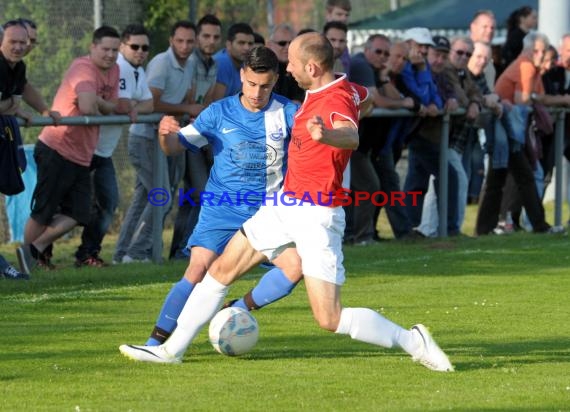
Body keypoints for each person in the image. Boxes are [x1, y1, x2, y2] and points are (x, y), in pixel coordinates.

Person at [119, 33, 454, 373]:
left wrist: (329, 136)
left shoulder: (333, 101)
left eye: (291, 62)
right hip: (284, 203)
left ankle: (413, 340)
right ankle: (170, 349)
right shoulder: (342, 89)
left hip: (316, 214)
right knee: (220, 271)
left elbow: (350, 135)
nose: (288, 69)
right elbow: (365, 99)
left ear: (311, 66)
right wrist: (359, 109)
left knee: (329, 318)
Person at [120, 46, 299, 346]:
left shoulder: (289, 113)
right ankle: (155, 344)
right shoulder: (218, 112)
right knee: (198, 268)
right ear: (242, 75)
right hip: (222, 209)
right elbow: (174, 147)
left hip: (268, 213)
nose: (257, 92)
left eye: (265, 85)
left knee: (296, 267)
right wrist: (166, 134)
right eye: (252, 84)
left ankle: (235, 310)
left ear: (276, 80)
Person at [16, 26, 121, 274]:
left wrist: (101, 103)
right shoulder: (83, 68)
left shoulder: (115, 70)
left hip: (82, 155)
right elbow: (86, 107)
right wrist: (101, 105)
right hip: (57, 148)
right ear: (92, 47)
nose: (110, 55)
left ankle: (32, 250)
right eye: (105, 49)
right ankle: (27, 263)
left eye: (115, 50)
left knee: (80, 212)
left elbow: (111, 105)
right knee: (43, 211)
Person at [113, 20, 203, 264]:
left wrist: (187, 110)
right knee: (160, 195)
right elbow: (154, 103)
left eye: (190, 41)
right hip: (144, 139)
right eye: (180, 41)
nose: (185, 46)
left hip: (167, 137)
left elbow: (182, 97)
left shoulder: (192, 62)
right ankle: (137, 252)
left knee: (147, 196)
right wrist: (187, 107)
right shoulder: (162, 63)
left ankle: (123, 254)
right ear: (171, 41)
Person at [74, 24, 154, 267]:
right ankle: (40, 254)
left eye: (145, 47)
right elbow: (120, 104)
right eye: (134, 46)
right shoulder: (119, 67)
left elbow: (147, 104)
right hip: (81, 148)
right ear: (123, 47)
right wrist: (127, 106)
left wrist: (131, 107)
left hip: (104, 151)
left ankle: (91, 254)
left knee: (108, 204)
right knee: (70, 207)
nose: (140, 51)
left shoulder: (133, 70)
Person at [475, 32, 564, 235]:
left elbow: (535, 97)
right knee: (510, 178)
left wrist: (536, 98)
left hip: (509, 129)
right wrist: (545, 99)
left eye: (543, 50)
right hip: (506, 128)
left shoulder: (527, 65)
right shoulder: (526, 65)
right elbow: (523, 99)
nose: (541, 55)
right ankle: (496, 226)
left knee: (517, 177)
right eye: (537, 50)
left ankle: (498, 226)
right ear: (528, 50)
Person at [348, 34, 415, 244]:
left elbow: (396, 99)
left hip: (368, 145)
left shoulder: (377, 71)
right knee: (369, 186)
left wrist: (385, 77)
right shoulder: (361, 65)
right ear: (367, 50)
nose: (383, 57)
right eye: (379, 52)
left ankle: (362, 235)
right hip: (352, 144)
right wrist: (403, 104)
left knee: (375, 187)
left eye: (386, 53)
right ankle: (361, 237)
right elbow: (377, 99)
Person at [169, 14, 223, 260]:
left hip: (197, 134)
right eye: (206, 36)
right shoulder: (190, 62)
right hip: (180, 133)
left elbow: (207, 101)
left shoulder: (213, 64)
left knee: (192, 196)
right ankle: (181, 249)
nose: (210, 41)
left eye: (215, 37)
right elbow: (189, 101)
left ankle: (180, 249)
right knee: (196, 194)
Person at [211, 23, 254, 101]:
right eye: (241, 43)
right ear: (229, 44)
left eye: (250, 44)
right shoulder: (223, 63)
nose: (247, 48)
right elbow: (216, 104)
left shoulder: (243, 64)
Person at [267, 23, 305, 103]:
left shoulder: (298, 69)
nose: (287, 47)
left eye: (291, 43)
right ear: (270, 45)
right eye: (282, 43)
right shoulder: (264, 68)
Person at [500, 6, 538, 74]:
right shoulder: (515, 37)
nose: (536, 20)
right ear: (522, 19)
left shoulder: (529, 36)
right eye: (533, 18)